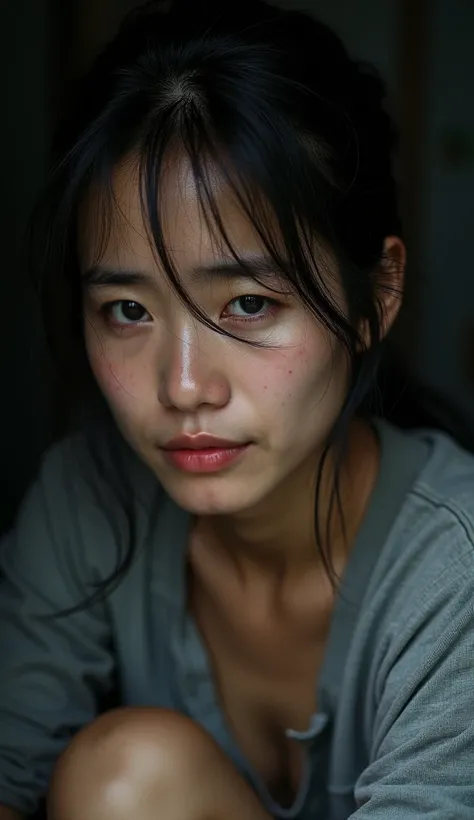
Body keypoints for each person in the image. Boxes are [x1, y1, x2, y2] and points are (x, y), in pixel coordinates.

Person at [1, 1, 474, 818]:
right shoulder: (90, 499)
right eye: (129, 311)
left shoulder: (454, 570)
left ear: (377, 294)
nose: (184, 387)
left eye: (249, 303)